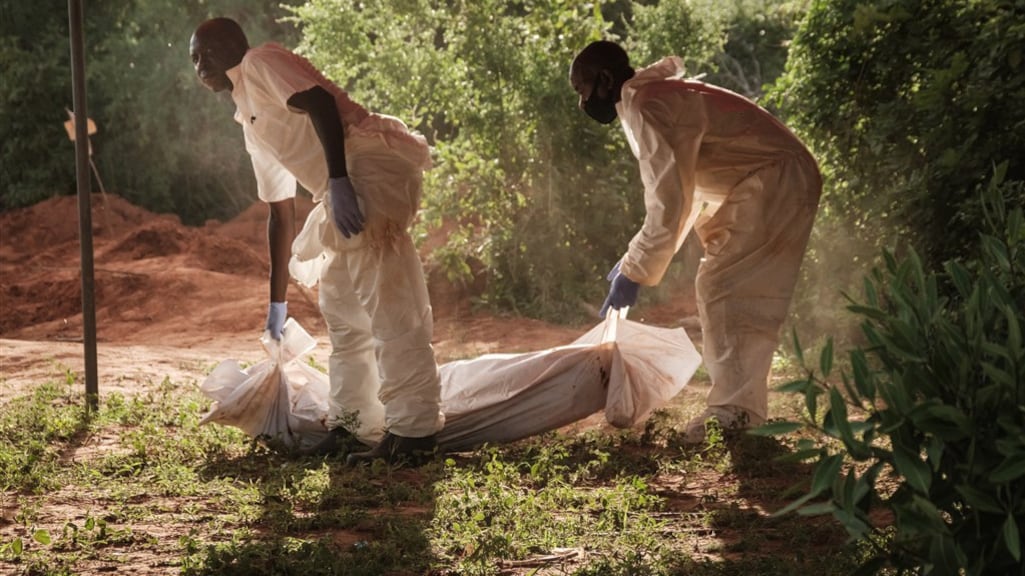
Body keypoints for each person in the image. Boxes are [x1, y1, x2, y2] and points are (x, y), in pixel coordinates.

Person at [189, 17, 443, 465]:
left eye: (204, 53)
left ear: (229, 47)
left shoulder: (260, 62)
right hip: (337, 187)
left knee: (387, 302)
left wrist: (340, 180)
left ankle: (414, 434)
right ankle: (352, 425)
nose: (199, 64)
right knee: (343, 309)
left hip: (366, 163)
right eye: (193, 58)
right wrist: (277, 306)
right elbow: (279, 210)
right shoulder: (248, 114)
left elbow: (321, 103)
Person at [569, 41, 821, 443]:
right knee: (732, 289)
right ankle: (742, 414)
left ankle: (735, 416)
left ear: (604, 79)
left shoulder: (647, 105)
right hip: (773, 177)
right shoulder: (652, 99)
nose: (583, 103)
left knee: (726, 288)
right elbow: (684, 196)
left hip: (775, 177)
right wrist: (633, 261)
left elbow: (669, 202)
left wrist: (636, 269)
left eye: (583, 90)